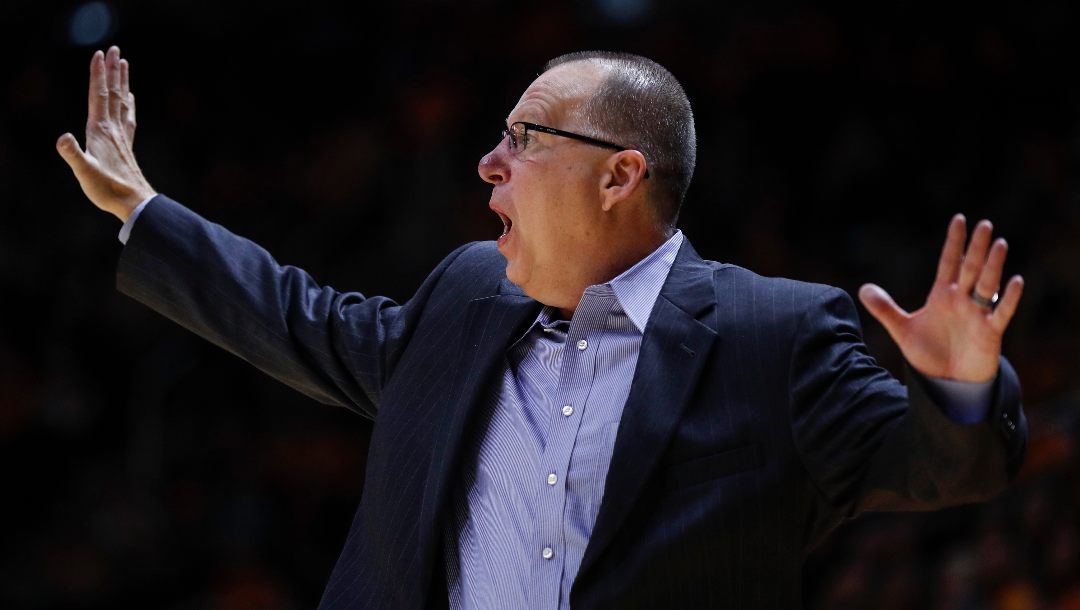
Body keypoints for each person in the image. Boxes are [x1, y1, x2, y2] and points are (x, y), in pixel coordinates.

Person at [58, 47, 1027, 610]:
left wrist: (960, 389)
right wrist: (142, 210)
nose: (489, 163)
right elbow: (299, 318)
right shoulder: (464, 297)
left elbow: (942, 467)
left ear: (618, 175)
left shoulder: (771, 334)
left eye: (523, 138)